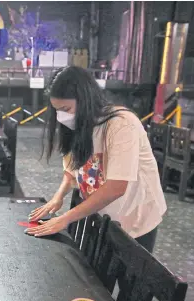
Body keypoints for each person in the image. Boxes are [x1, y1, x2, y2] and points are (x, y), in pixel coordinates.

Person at [26, 66, 167, 253]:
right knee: (94, 278)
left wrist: (65, 218)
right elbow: (71, 169)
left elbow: (116, 187)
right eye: (57, 110)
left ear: (86, 100)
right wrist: (57, 198)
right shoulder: (79, 124)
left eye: (66, 109)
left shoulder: (121, 124)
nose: (61, 117)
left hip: (135, 217)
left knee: (129, 279)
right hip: (102, 215)